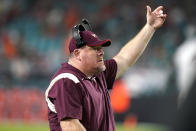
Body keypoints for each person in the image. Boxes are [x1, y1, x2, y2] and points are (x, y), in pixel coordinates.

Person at [45, 5, 167, 131]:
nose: (101, 52)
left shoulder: (96, 73)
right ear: (77, 54)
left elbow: (124, 59)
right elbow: (70, 126)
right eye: (95, 49)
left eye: (101, 48)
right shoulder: (67, 81)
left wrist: (149, 27)